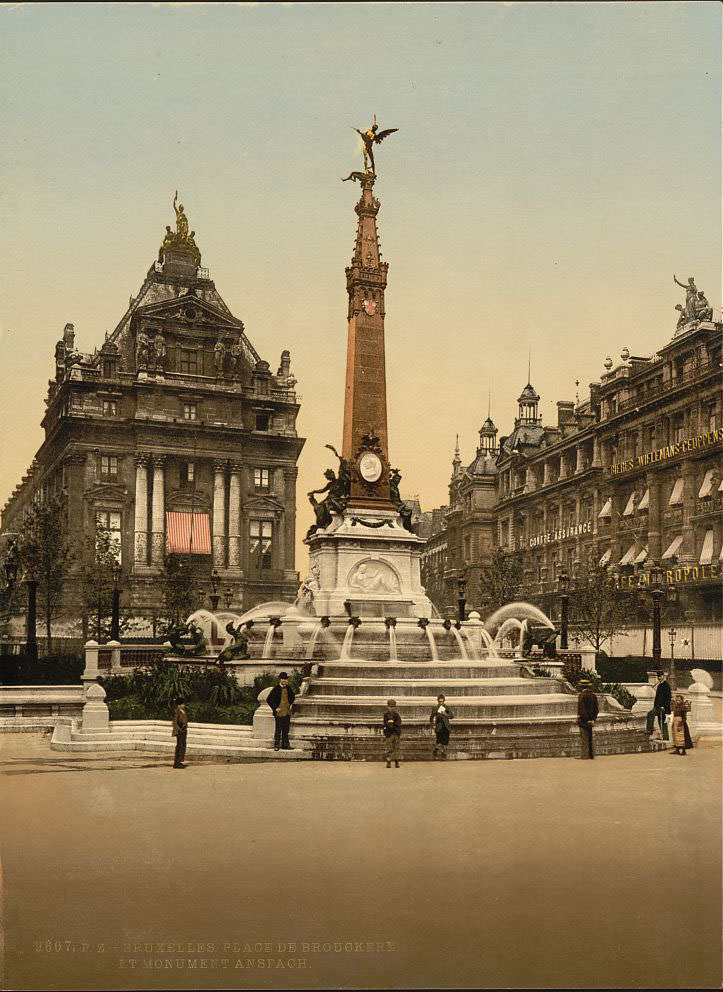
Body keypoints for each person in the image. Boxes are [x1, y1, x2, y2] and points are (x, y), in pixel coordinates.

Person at [267, 672, 295, 751]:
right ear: (280, 679)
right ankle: (276, 745)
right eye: (283, 679)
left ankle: (285, 745)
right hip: (279, 713)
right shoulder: (276, 688)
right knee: (278, 729)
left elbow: (292, 697)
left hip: (287, 712)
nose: (284, 680)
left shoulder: (288, 688)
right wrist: (275, 708)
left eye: (285, 679)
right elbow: (269, 699)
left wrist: (289, 704)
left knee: (286, 729)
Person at [577, 679, 599, 759]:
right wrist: (593, 719)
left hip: (584, 720)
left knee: (584, 738)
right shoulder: (593, 695)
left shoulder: (581, 695)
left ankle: (585, 755)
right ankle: (591, 755)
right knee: (590, 737)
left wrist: (585, 718)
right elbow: (596, 709)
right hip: (591, 719)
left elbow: (582, 709)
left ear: (582, 687)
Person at [647, 671, 672, 741]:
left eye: (660, 676)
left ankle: (649, 730)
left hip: (663, 708)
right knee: (661, 722)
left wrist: (664, 706)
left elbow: (668, 698)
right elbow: (657, 698)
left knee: (651, 714)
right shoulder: (659, 685)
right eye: (658, 676)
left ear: (663, 676)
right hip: (658, 707)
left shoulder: (666, 685)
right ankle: (665, 738)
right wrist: (655, 706)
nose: (659, 678)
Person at [429, 694, 454, 759]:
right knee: (439, 741)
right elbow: (431, 718)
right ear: (437, 701)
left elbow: (451, 716)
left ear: (444, 701)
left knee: (445, 742)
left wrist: (445, 714)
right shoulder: (435, 708)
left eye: (442, 701)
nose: (441, 703)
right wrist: (433, 725)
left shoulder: (446, 707)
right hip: (439, 727)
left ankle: (443, 754)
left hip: (446, 727)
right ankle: (435, 751)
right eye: (439, 701)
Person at [382, 699, 402, 768]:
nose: (391, 708)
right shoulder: (385, 715)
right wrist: (391, 724)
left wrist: (391, 724)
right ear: (387, 707)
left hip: (396, 733)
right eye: (390, 707)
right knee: (389, 748)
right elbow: (385, 723)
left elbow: (398, 723)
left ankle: (397, 761)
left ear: (395, 707)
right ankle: (388, 761)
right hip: (389, 734)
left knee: (396, 748)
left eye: (393, 707)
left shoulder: (397, 715)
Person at [172, 697, 188, 769]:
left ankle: (180, 761)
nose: (184, 705)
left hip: (183, 730)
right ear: (180, 704)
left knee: (182, 745)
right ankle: (177, 762)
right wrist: (179, 730)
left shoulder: (183, 711)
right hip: (180, 731)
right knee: (179, 746)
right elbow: (175, 722)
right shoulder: (177, 711)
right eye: (183, 703)